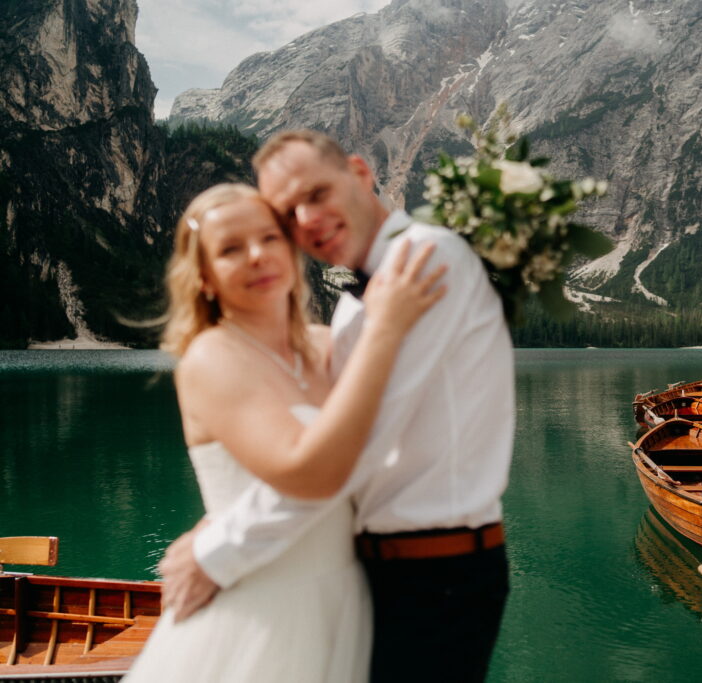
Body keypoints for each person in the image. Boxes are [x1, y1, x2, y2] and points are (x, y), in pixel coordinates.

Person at [160, 130, 517, 682]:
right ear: (204, 278)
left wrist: (217, 550)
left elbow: (349, 454)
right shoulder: (352, 314)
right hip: (367, 579)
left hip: (435, 574)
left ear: (359, 172)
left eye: (318, 193)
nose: (307, 219)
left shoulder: (421, 263)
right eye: (288, 213)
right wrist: (219, 519)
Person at [124, 183, 446, 681]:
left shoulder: (326, 347)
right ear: (204, 277)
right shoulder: (211, 357)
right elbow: (305, 470)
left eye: (269, 238)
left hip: (347, 599)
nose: (257, 256)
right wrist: (385, 330)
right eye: (231, 249)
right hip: (260, 610)